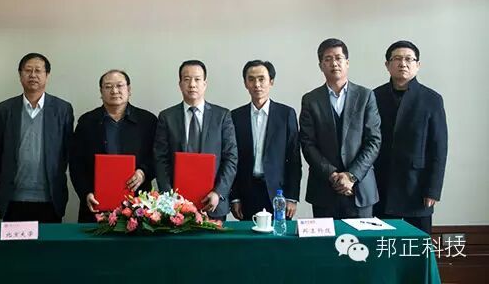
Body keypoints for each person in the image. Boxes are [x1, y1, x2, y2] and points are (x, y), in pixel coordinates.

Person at [299, 38, 381, 218]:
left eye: (338, 58)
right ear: (321, 66)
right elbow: (307, 143)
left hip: (360, 189)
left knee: (362, 237)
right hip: (324, 189)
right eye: (328, 59)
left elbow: (373, 141)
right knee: (325, 237)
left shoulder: (366, 96)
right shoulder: (310, 100)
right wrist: (333, 175)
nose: (334, 63)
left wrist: (351, 176)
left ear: (347, 63)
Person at [373, 41, 448, 234]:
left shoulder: (431, 99)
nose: (403, 63)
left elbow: (438, 148)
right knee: (383, 243)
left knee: (416, 245)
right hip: (382, 185)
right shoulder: (374, 96)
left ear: (418, 65)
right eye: (397, 59)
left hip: (417, 187)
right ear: (387, 65)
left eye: (409, 59)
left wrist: (433, 189)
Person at [0, 53, 74, 223]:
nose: (33, 75)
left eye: (38, 70)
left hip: (50, 198)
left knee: (49, 241)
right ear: (20, 74)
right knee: (14, 242)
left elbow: (67, 152)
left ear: (47, 75)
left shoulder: (62, 109)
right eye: (28, 70)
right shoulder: (4, 109)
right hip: (13, 198)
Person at [154, 60, 238, 220]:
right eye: (187, 79)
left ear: (205, 84)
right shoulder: (167, 117)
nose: (192, 84)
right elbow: (160, 159)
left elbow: (231, 158)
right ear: (180, 84)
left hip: (213, 203)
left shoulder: (222, 116)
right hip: (175, 206)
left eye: (197, 79)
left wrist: (218, 192)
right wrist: (169, 196)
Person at [70, 70, 157, 222]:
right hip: (96, 203)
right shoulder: (87, 122)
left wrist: (143, 172)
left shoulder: (148, 121)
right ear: (101, 92)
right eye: (108, 86)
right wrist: (86, 193)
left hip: (138, 205)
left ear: (129, 89)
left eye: (119, 85)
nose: (114, 91)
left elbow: (157, 157)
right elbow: (76, 164)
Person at [230, 60, 301, 220]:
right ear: (245, 83)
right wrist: (234, 197)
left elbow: (294, 159)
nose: (257, 84)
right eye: (251, 79)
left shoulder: (286, 114)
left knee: (279, 235)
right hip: (246, 192)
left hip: (278, 193)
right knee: (247, 235)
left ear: (271, 82)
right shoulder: (235, 117)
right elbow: (231, 160)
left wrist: (292, 197)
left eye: (261, 79)